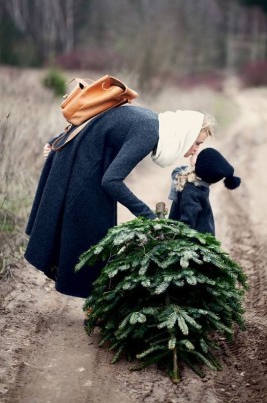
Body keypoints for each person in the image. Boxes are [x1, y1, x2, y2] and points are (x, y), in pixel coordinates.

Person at [25, 86, 216, 298]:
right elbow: (112, 180)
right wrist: (149, 217)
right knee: (94, 238)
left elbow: (102, 116)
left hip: (83, 161)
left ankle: (94, 301)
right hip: (78, 165)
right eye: (197, 143)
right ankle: (96, 304)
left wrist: (58, 138)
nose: (195, 150)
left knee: (91, 231)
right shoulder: (150, 131)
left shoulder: (153, 123)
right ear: (185, 134)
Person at [168, 148, 241, 235]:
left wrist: (178, 236)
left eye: (198, 158)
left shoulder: (191, 190)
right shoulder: (200, 185)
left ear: (198, 167)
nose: (195, 154)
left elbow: (188, 219)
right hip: (205, 232)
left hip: (196, 238)